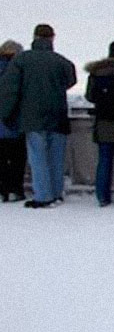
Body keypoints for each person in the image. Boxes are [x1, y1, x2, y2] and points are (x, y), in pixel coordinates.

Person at [0, 24, 76, 208]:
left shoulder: (22, 60)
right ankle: (57, 192)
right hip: (58, 114)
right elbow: (71, 80)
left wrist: (6, 114)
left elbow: (10, 90)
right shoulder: (62, 62)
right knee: (56, 157)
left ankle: (43, 195)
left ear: (34, 37)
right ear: (52, 38)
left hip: (32, 116)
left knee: (38, 156)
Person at [84, 40, 114, 206]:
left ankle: (102, 196)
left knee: (104, 160)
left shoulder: (97, 72)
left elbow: (90, 96)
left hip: (103, 121)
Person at [0, 40, 26, 202]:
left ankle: (3, 190)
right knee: (18, 158)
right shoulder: (18, 70)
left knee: (2, 159)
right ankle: (16, 189)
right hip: (15, 122)